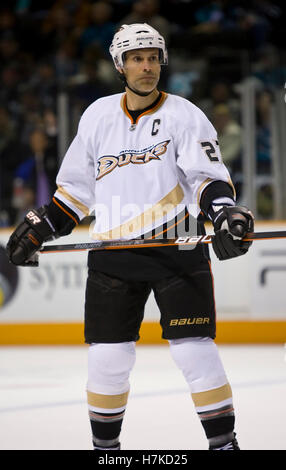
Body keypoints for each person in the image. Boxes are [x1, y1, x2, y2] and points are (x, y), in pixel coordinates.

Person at [6, 23, 254, 451]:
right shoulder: (98, 115)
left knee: (193, 349)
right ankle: (107, 453)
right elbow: (77, 191)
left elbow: (206, 179)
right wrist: (43, 225)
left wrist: (223, 213)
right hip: (112, 254)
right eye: (137, 58)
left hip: (177, 247)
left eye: (154, 57)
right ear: (119, 65)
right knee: (108, 358)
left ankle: (224, 445)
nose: (147, 66)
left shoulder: (185, 114)